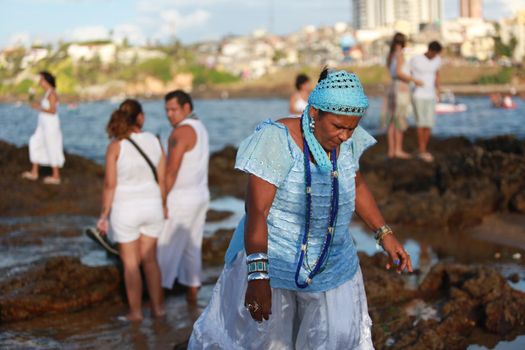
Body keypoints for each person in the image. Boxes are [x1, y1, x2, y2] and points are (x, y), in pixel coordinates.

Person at [188, 68, 413, 349]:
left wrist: (384, 233)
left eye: (351, 128)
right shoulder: (276, 140)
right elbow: (257, 211)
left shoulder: (347, 141)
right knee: (265, 343)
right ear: (315, 112)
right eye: (338, 127)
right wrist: (258, 277)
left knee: (339, 339)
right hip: (274, 263)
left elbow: (355, 184)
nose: (345, 136)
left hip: (333, 266)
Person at [96, 99, 166, 322]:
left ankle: (136, 313)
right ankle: (158, 310)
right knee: (151, 261)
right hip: (153, 205)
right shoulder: (155, 140)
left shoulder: (116, 146)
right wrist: (164, 205)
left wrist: (103, 215)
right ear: (140, 117)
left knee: (130, 265)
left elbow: (110, 185)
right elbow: (162, 179)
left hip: (126, 208)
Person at [157, 90, 210, 304]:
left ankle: (157, 302)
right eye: (167, 110)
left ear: (186, 108)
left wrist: (161, 200)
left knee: (164, 251)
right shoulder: (200, 127)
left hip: (180, 199)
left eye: (173, 109)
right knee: (192, 249)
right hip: (200, 196)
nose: (169, 114)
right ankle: (192, 300)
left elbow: (171, 170)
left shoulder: (180, 133)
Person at [383, 32, 423, 159]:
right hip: (401, 88)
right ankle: (398, 150)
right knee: (399, 120)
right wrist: (414, 80)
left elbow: (393, 72)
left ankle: (391, 150)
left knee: (391, 121)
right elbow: (400, 73)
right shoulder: (400, 55)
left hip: (392, 87)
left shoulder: (391, 55)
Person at [22, 71, 65, 184]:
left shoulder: (52, 94)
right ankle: (34, 172)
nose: (39, 82)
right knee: (35, 142)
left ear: (46, 81)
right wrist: (37, 105)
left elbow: (52, 110)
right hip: (43, 124)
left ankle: (56, 176)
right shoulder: (47, 93)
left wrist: (39, 107)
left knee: (52, 146)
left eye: (41, 80)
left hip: (50, 124)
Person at [409, 41, 443, 163]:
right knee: (420, 123)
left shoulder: (438, 60)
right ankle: (422, 150)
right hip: (418, 94)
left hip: (431, 95)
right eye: (434, 53)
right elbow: (409, 73)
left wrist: (438, 90)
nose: (435, 56)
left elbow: (437, 75)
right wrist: (413, 83)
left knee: (429, 123)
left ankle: (424, 149)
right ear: (430, 50)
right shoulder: (416, 59)